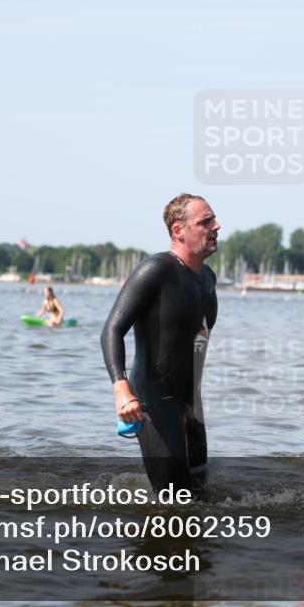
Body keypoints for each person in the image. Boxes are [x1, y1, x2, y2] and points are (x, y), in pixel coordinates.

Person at [101, 194, 219, 493]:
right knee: (173, 502)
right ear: (179, 230)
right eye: (205, 222)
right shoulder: (156, 270)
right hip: (153, 398)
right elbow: (112, 330)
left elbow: (198, 339)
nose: (216, 226)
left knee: (199, 492)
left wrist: (195, 398)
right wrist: (122, 392)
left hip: (191, 401)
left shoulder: (207, 278)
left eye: (213, 219)